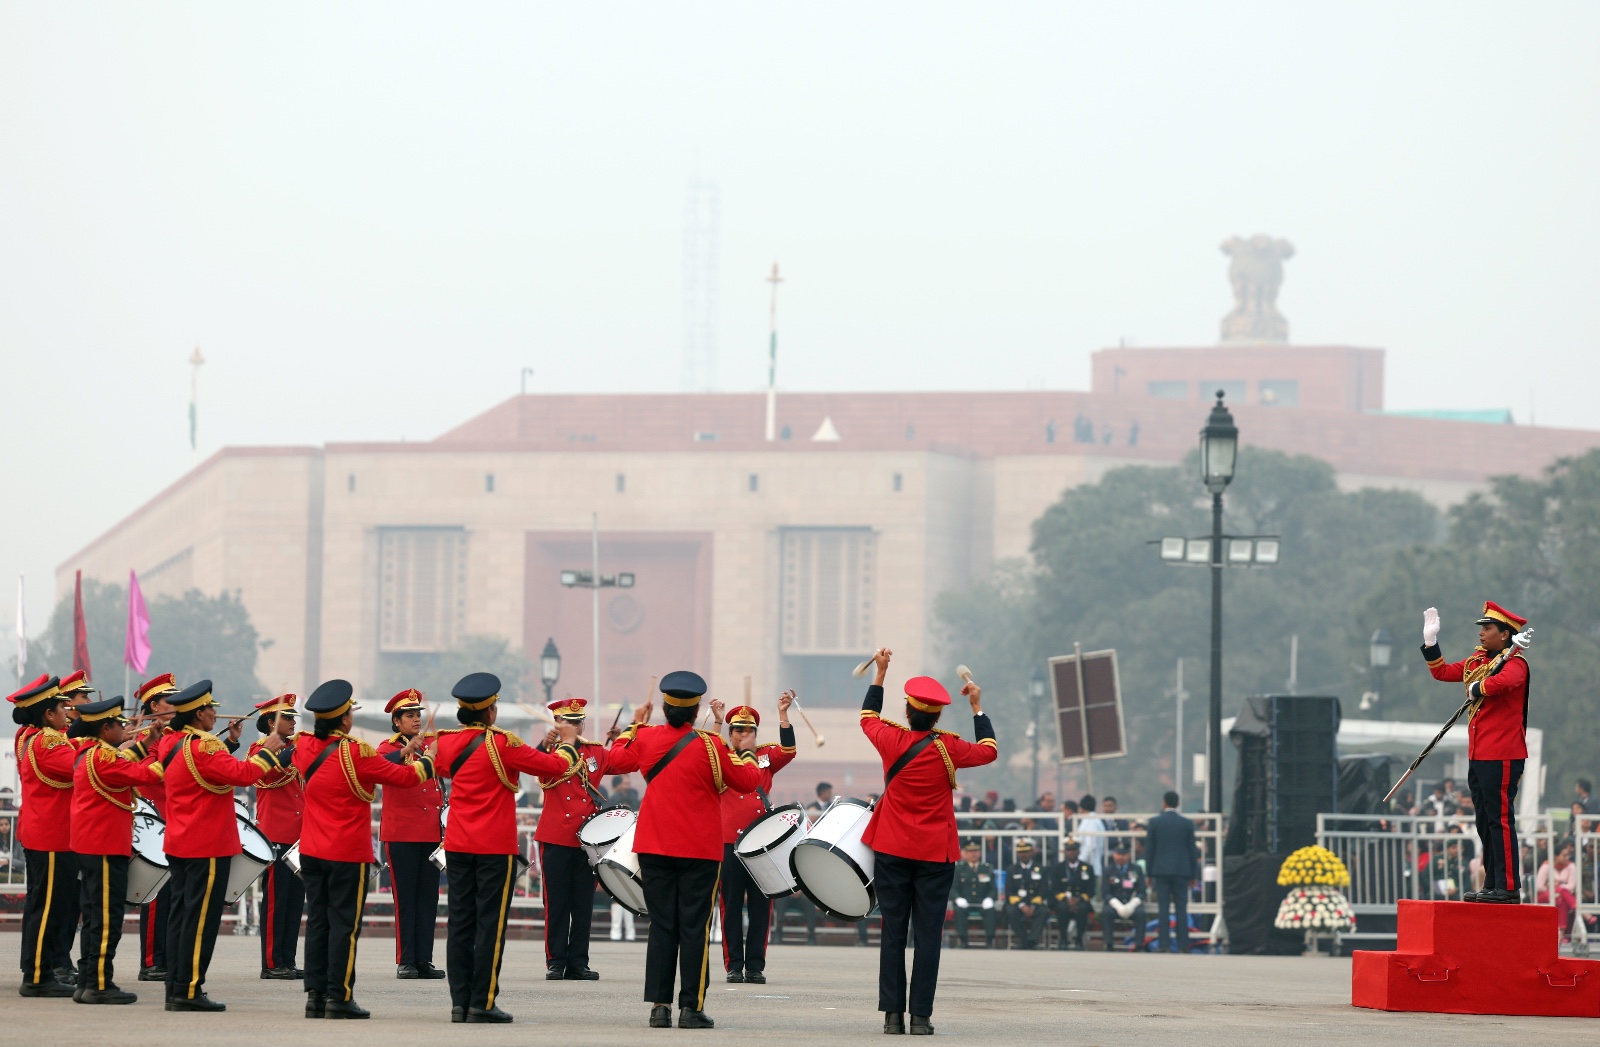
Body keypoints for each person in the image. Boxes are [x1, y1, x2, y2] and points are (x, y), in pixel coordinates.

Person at [605, 670, 761, 1030]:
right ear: (695, 713)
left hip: (655, 845)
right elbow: (748, 781)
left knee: (662, 926)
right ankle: (691, 1007)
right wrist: (747, 753)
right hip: (699, 850)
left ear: (664, 708)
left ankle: (659, 1006)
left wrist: (633, 723)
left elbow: (614, 760)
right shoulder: (712, 745)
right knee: (694, 928)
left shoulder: (645, 738)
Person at [859, 648, 997, 1036]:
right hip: (936, 853)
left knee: (893, 932)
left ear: (907, 712)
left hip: (892, 848)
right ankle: (920, 1017)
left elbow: (867, 717)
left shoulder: (891, 740)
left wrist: (881, 674)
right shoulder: (948, 747)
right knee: (929, 935)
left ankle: (891, 1016)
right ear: (937, 716)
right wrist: (977, 708)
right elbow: (989, 751)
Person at [433, 672, 579, 1024]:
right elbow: (556, 766)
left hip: (457, 843)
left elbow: (433, 764)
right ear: (490, 713)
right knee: (490, 925)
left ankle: (459, 1002)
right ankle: (482, 1002)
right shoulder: (503, 744)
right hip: (493, 846)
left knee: (460, 924)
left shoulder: (448, 742)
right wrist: (569, 741)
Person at [296, 679, 435, 1019]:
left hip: (312, 848)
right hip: (346, 851)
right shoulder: (355, 752)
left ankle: (315, 996)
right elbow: (403, 778)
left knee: (317, 923)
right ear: (344, 719)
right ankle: (339, 997)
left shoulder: (303, 747)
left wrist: (403, 752)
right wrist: (427, 760)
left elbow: (384, 764)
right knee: (343, 925)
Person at [155, 679, 288, 1011]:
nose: (215, 713)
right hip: (207, 844)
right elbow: (243, 774)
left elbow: (209, 767)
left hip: (180, 840)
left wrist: (227, 740)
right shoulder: (203, 746)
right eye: (211, 708)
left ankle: (176, 986)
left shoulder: (172, 742)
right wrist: (270, 750)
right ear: (199, 714)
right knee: (201, 920)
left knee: (180, 916)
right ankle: (189, 990)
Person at [1421, 601, 1530, 903]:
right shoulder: (1478, 662)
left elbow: (1506, 682)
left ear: (1506, 634)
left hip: (1503, 752)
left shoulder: (1515, 662)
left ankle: (1508, 886)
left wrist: (1478, 688)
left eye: (1488, 628)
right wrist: (1431, 643)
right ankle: (1492, 882)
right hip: (1479, 753)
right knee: (1484, 819)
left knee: (1500, 818)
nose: (1482, 633)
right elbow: (1442, 672)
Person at [67, 696, 163, 1004]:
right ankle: (99, 984)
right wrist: (168, 749)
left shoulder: (90, 753)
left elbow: (124, 763)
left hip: (91, 844)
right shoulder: (105, 758)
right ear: (106, 729)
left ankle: (87, 981)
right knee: (108, 918)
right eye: (118, 725)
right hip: (106, 846)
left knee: (94, 915)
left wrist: (148, 740)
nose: (124, 729)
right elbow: (146, 774)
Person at [716, 692, 797, 984]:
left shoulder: (764, 757)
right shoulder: (721, 757)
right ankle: (734, 965)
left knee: (762, 907)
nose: (744, 734)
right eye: (739, 729)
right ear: (730, 733)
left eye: (749, 729)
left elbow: (788, 751)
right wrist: (714, 720)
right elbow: (706, 755)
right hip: (730, 843)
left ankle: (755, 966)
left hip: (761, 844)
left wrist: (783, 714)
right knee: (731, 906)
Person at [534, 696, 613, 982]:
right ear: (556, 723)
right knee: (556, 904)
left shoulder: (595, 752)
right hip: (555, 836)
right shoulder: (548, 752)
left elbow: (628, 760)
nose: (572, 726)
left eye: (576, 722)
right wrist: (545, 744)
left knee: (583, 904)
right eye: (566, 721)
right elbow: (531, 765)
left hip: (586, 838)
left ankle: (578, 962)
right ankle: (556, 961)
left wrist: (627, 735)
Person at [9, 674, 79, 997]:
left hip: (49, 834)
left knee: (47, 905)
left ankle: (41, 969)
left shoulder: (37, 737)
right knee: (49, 908)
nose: (68, 711)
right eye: (62, 707)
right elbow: (80, 765)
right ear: (48, 714)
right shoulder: (47, 741)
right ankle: (38, 977)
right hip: (52, 836)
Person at [377, 689, 446, 980]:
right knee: (406, 899)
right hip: (402, 833)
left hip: (430, 832)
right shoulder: (385, 747)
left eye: (418, 714)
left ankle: (423, 960)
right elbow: (381, 767)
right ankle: (406, 960)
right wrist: (407, 751)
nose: (416, 719)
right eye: (409, 715)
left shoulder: (431, 745)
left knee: (428, 899)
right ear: (396, 722)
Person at [249, 693, 306, 980]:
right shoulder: (258, 749)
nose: (293, 721)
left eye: (294, 717)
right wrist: (287, 751)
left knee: (295, 901)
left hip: (299, 835)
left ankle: (287, 959)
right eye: (287, 717)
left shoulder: (295, 748)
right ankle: (271, 962)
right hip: (275, 834)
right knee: (275, 901)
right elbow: (264, 774)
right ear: (271, 722)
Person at [131, 673, 179, 982]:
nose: (174, 706)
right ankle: (150, 961)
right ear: (153, 706)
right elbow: (147, 771)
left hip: (173, 823)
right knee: (156, 897)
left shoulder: (171, 736)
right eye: (168, 701)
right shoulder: (144, 739)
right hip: (153, 825)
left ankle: (165, 957)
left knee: (172, 896)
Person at [1143, 791, 1199, 954]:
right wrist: (1193, 875)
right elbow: (1192, 851)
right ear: (1177, 803)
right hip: (1182, 870)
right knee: (1181, 909)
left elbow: (1149, 850)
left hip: (1161, 870)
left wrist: (1149, 873)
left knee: (1164, 909)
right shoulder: (1187, 823)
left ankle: (1164, 944)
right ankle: (1183, 945)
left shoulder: (1154, 822)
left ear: (1164, 803)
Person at [1049, 838, 1096, 951]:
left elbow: (1091, 889)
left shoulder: (1087, 868)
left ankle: (1079, 940)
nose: (1071, 852)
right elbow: (1054, 889)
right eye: (1069, 850)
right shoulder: (1057, 868)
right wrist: (1066, 899)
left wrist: (1078, 899)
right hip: (1063, 900)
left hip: (1081, 900)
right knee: (1062, 908)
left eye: (1074, 850)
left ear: (1079, 851)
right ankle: (1063, 939)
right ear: (1064, 851)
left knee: (1083, 909)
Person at [950, 840, 998, 948]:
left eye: (976, 851)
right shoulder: (959, 868)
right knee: (959, 910)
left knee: (990, 910)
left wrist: (989, 898)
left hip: (982, 902)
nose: (973, 854)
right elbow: (953, 888)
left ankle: (990, 941)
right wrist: (957, 899)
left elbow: (993, 888)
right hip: (965, 901)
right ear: (965, 853)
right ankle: (963, 940)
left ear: (980, 853)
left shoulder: (987, 868)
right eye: (970, 851)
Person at [1004, 839, 1050, 948]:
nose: (1023, 855)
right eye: (1020, 852)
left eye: (1025, 852)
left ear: (1031, 852)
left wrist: (1033, 906)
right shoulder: (1012, 869)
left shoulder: (1041, 869)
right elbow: (1009, 892)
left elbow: (1044, 890)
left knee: (1043, 912)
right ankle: (1024, 939)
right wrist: (1022, 906)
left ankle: (1032, 940)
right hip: (1018, 904)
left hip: (1035, 903)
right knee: (1010, 911)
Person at [1100, 842, 1146, 951]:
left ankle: (1139, 945)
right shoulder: (1108, 870)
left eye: (1124, 854)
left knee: (1141, 913)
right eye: (1118, 854)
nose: (1121, 857)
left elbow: (1142, 891)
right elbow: (1105, 892)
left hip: (1131, 902)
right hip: (1114, 902)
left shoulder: (1136, 869)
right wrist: (1116, 905)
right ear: (1114, 855)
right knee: (1106, 912)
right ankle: (1109, 944)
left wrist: (1133, 904)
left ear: (1129, 855)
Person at [1535, 844, 1578, 942]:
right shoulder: (1546, 865)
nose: (1566, 858)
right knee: (1559, 894)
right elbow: (1539, 886)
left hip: (1562, 896)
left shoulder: (1571, 866)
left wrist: (1557, 886)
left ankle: (1560, 933)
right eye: (1564, 855)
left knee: (1560, 897)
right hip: (1545, 895)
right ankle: (1577, 908)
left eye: (1568, 855)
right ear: (1556, 856)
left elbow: (1571, 886)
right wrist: (1552, 888)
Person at [1076, 795, 1106, 878]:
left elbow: (1091, 845)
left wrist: (1079, 861)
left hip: (1090, 866)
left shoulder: (1091, 821)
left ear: (1081, 807)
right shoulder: (1091, 819)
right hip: (1088, 865)